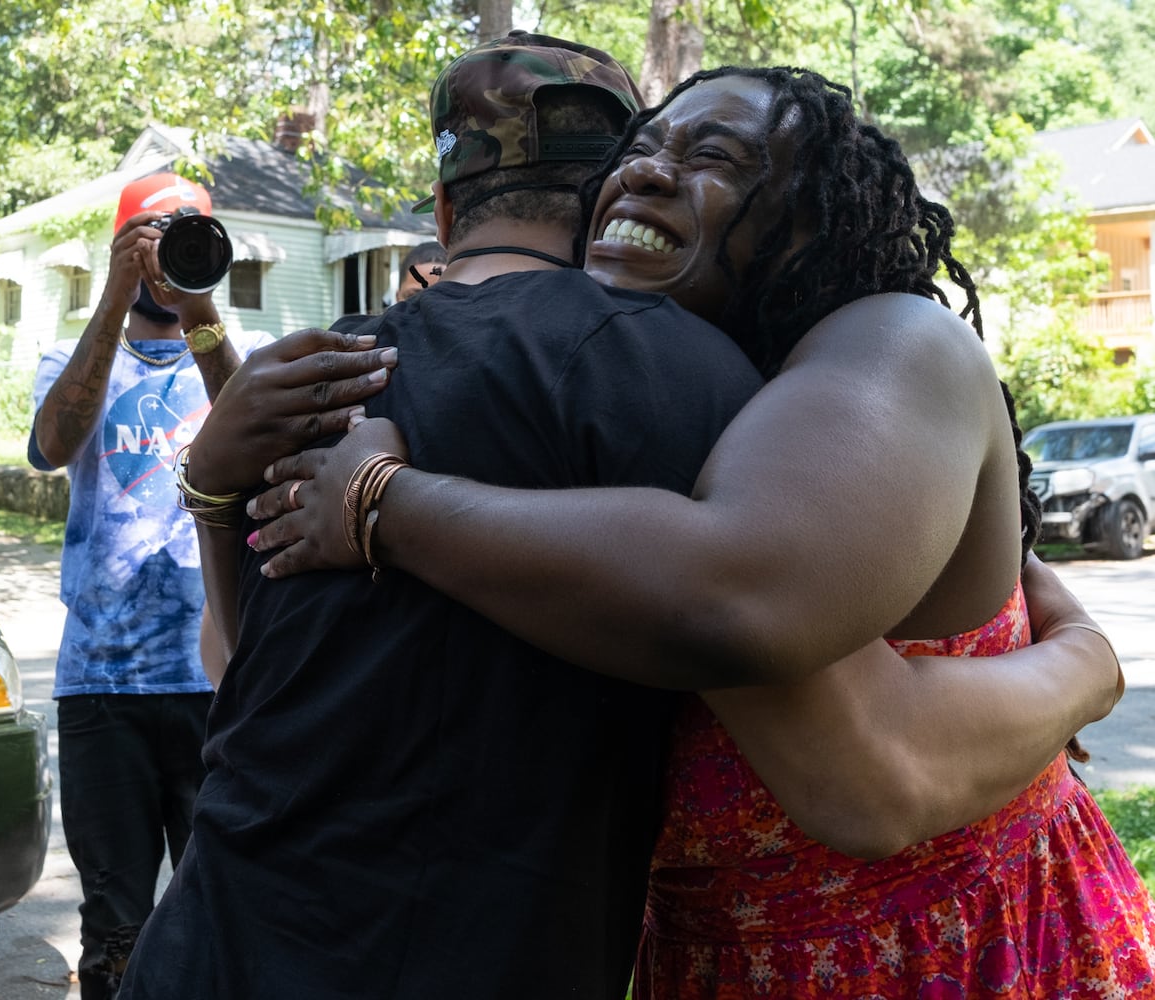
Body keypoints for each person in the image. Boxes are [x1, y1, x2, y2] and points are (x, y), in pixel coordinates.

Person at [234, 67, 1154, 994]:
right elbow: (278, 676)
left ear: (811, 215)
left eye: (712, 155)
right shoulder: (642, 410)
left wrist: (388, 502)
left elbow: (844, 741)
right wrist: (210, 485)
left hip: (962, 953)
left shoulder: (892, 342)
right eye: (634, 150)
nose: (644, 172)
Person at [120, 33, 773, 999]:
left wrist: (214, 492)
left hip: (215, 938)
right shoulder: (682, 369)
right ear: (609, 194)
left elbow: (233, 668)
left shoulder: (312, 371)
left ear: (440, 208)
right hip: (488, 951)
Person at [27, 172, 270, 1000]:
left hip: (219, 680)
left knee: (227, 910)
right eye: (158, 238)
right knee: (115, 929)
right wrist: (115, 294)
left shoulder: (239, 358)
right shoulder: (69, 356)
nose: (174, 255)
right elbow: (55, 443)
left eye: (191, 236)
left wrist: (201, 313)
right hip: (101, 684)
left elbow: (260, 444)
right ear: (125, 248)